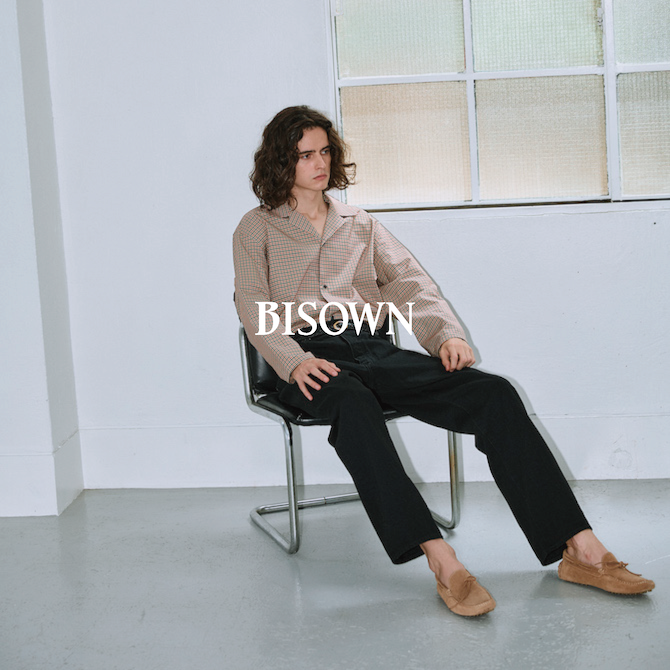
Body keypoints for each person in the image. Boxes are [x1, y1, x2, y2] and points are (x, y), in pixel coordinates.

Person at [233, 105, 655, 617]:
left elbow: (409, 285)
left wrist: (445, 336)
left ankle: (580, 547)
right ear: (282, 161)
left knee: (492, 393)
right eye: (305, 155)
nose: (319, 163)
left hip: (373, 348)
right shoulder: (257, 228)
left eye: (324, 151)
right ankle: (441, 558)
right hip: (305, 358)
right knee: (353, 404)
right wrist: (294, 361)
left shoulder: (359, 224)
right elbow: (251, 304)